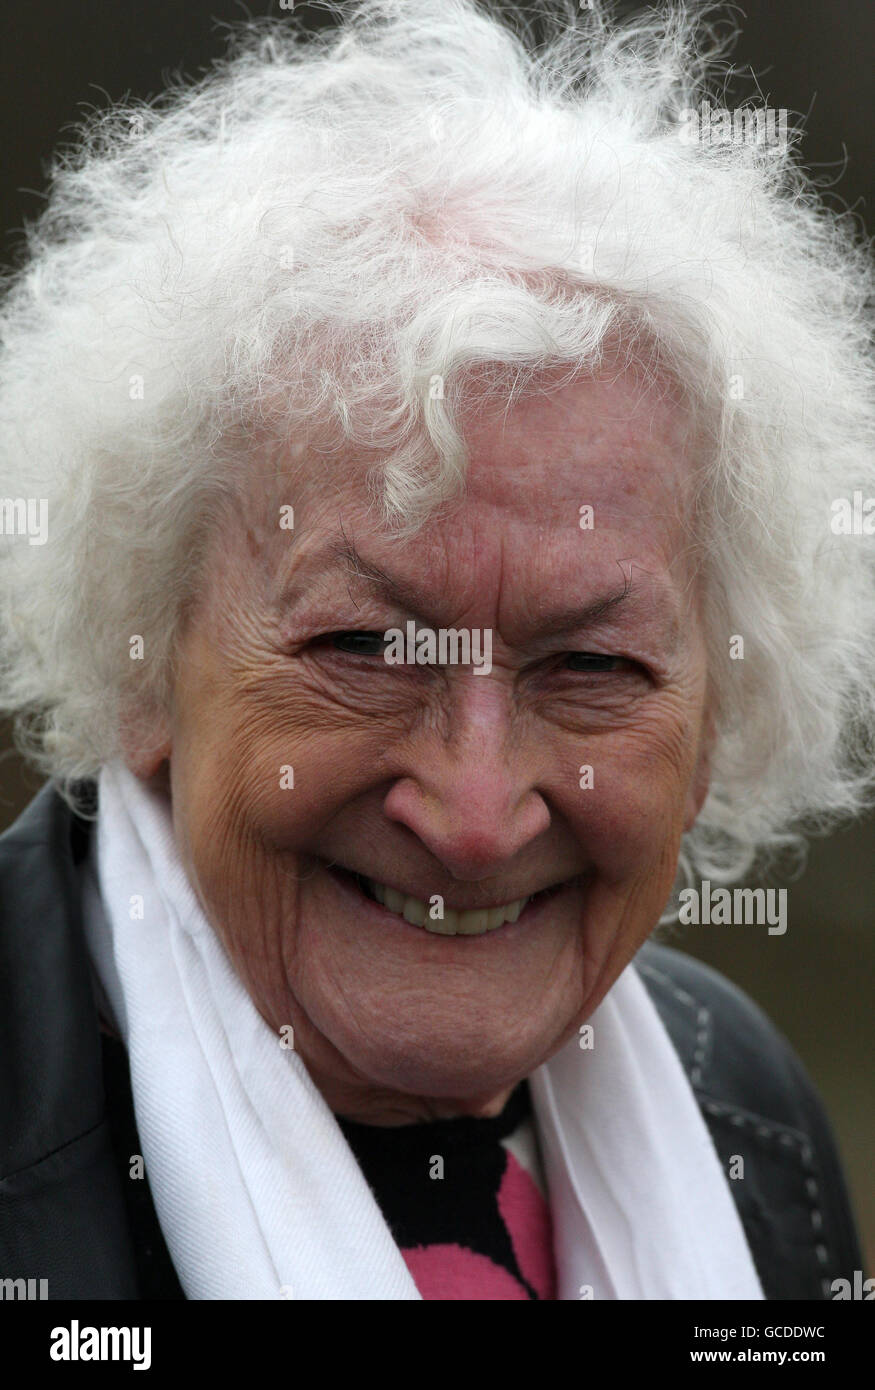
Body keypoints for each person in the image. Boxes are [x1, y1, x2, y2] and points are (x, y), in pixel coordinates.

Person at [0, 0, 871, 1300]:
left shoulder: (746, 1112)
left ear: (714, 719)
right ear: (141, 655)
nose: (474, 814)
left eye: (592, 669)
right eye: (365, 644)